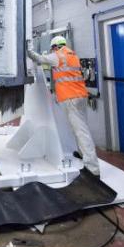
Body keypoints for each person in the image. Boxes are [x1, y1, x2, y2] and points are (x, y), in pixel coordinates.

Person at [27, 36, 100, 177]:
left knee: (81, 131)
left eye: (52, 48)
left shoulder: (58, 55)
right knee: (79, 127)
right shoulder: (72, 55)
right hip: (81, 96)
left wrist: (28, 50)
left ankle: (92, 168)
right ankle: (81, 153)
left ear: (55, 46)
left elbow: (40, 59)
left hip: (71, 98)